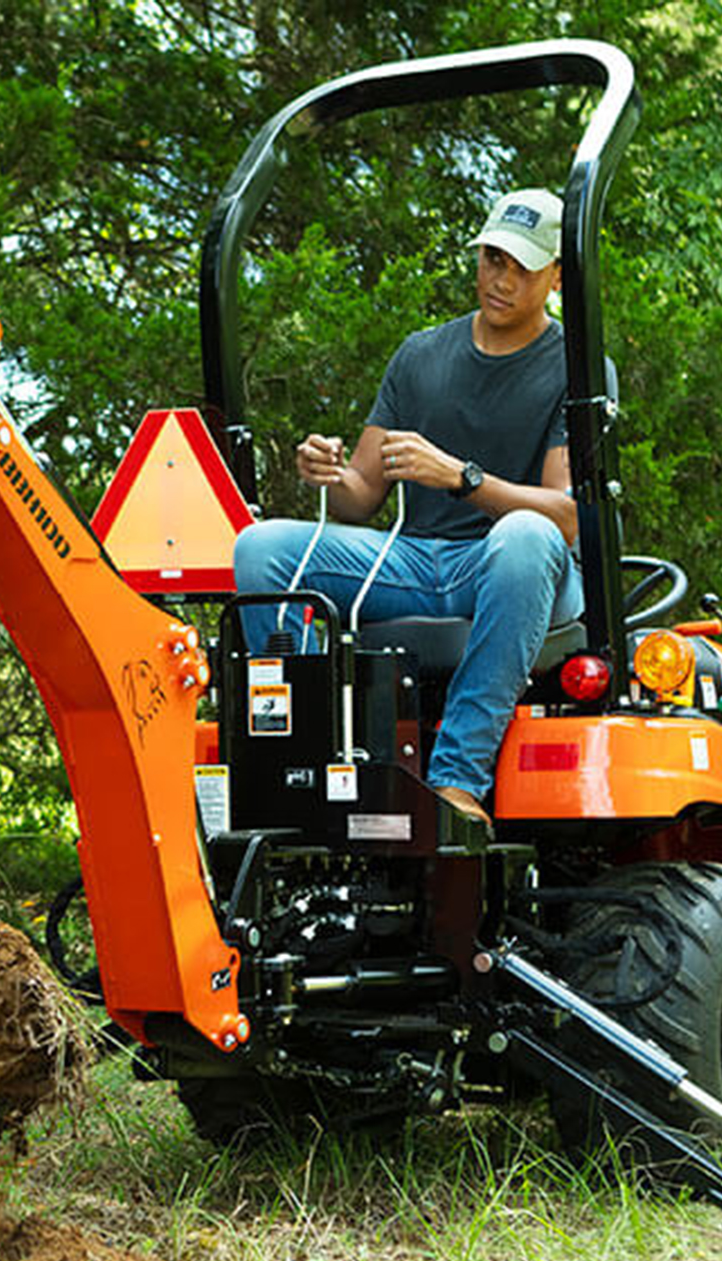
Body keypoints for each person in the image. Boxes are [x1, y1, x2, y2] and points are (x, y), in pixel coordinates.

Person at [232, 187, 588, 828]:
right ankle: (302, 757)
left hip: (513, 569)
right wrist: (328, 472)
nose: (499, 279)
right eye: (490, 259)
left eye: (520, 267)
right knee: (259, 548)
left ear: (558, 275)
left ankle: (456, 781)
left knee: (528, 535)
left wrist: (461, 478)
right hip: (416, 564)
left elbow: (565, 518)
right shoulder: (422, 356)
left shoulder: (573, 366)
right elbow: (361, 496)